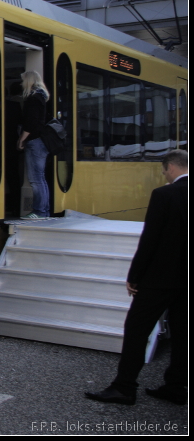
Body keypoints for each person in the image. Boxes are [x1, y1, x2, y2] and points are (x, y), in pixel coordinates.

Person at [85, 149, 188, 406]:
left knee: (136, 330)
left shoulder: (164, 194)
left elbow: (150, 240)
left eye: (164, 170)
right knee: (183, 332)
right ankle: (177, 386)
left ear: (171, 167)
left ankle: (124, 387)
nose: (164, 175)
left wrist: (134, 276)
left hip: (160, 278)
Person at [16, 71, 50, 220]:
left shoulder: (33, 98)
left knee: (35, 179)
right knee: (40, 178)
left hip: (35, 141)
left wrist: (22, 139)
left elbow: (30, 122)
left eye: (23, 80)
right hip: (40, 141)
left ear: (29, 80)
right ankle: (44, 210)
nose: (22, 83)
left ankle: (39, 211)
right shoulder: (41, 96)